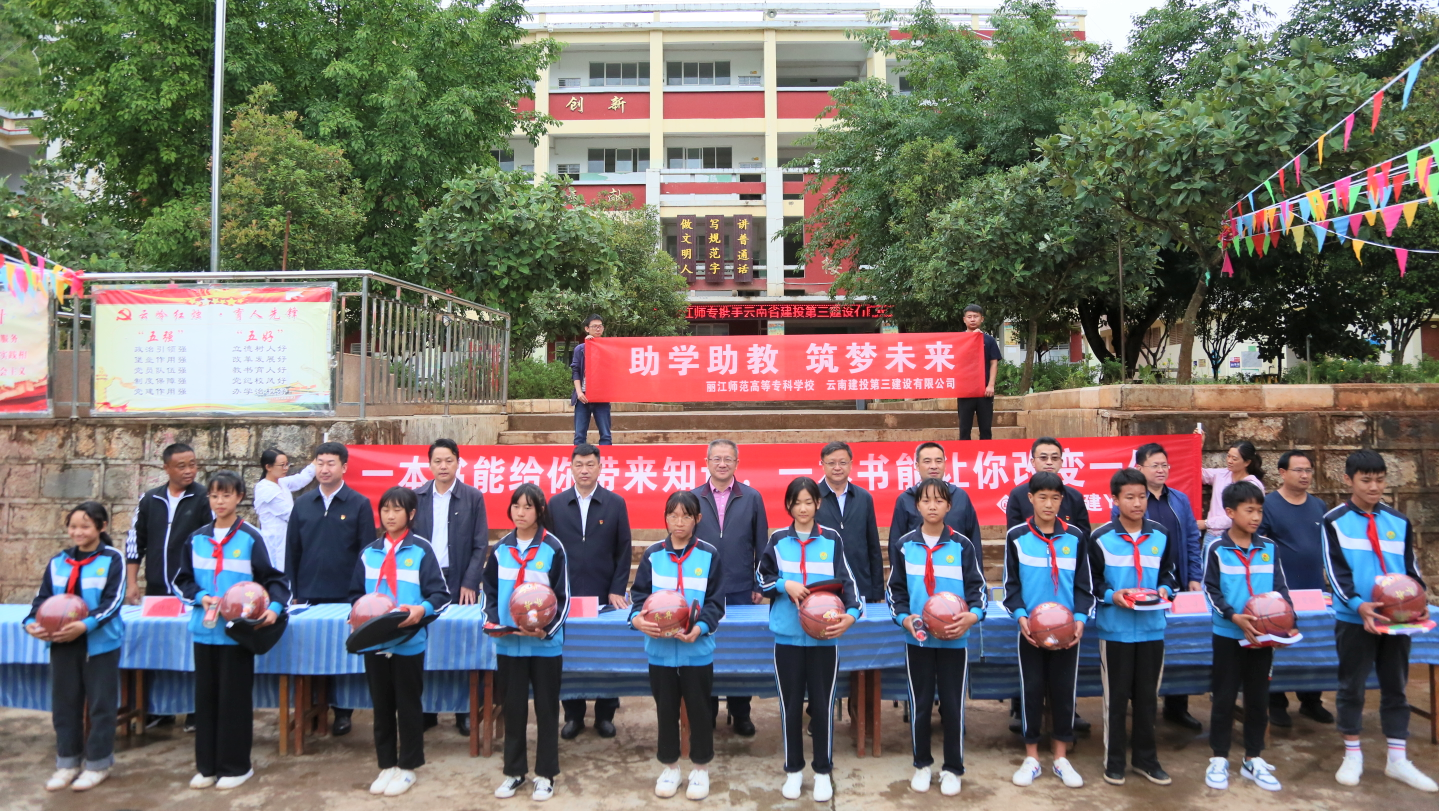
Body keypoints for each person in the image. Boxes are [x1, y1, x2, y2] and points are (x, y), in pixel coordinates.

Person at [1324, 450, 1435, 792]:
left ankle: (1397, 759)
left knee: (1395, 686)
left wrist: (1419, 601)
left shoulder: (1398, 521)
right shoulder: (1334, 521)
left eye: (1380, 480)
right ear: (1348, 480)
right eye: (1366, 480)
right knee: (1352, 686)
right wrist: (1358, 605)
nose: (1374, 487)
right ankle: (1352, 754)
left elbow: (1410, 568)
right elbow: (1335, 572)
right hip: (1354, 618)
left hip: (1397, 619)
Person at [172, 471, 287, 791]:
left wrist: (274, 609)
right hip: (203, 631)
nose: (219, 501)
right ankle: (207, 767)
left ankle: (236, 766)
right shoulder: (196, 539)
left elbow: (274, 580)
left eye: (226, 495)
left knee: (233, 700)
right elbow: (182, 580)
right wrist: (200, 596)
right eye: (214, 495)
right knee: (205, 700)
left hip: (236, 635)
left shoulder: (250, 537)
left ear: (239, 497)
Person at [756, 477, 862, 803]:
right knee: (790, 706)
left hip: (824, 639)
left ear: (818, 504)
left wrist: (852, 615)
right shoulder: (777, 540)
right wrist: (784, 585)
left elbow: (848, 582)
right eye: (796, 502)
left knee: (822, 706)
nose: (802, 508)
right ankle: (793, 770)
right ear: (788, 506)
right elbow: (760, 579)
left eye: (808, 502)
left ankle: (822, 772)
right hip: (787, 637)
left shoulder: (831, 539)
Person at [887, 477, 987, 798]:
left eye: (939, 501)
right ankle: (922, 764)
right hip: (917, 640)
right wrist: (904, 619)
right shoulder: (905, 546)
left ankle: (953, 768)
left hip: (954, 641)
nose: (932, 506)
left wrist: (972, 615)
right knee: (920, 704)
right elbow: (895, 591)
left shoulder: (962, 545)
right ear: (917, 506)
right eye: (926, 500)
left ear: (949, 506)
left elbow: (978, 589)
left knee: (953, 705)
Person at [350, 486, 451, 797]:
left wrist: (422, 609)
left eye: (397, 510)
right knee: (381, 706)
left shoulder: (421, 550)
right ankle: (386, 765)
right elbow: (354, 594)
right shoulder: (369, 553)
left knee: (408, 706)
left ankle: (408, 766)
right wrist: (356, 614)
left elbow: (440, 595)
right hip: (374, 643)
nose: (390, 516)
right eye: (385, 509)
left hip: (408, 641)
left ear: (411, 514)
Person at [629, 491, 726, 801]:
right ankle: (670, 767)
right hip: (660, 652)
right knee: (666, 711)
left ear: (698, 519)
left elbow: (716, 603)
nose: (679, 522)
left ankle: (700, 768)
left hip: (697, 651)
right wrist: (637, 620)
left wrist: (700, 628)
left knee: (700, 711)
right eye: (673, 515)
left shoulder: (709, 554)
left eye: (686, 516)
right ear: (666, 518)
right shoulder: (653, 555)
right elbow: (638, 597)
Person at [25, 502, 126, 792]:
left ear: (102, 527)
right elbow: (42, 599)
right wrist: (31, 622)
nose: (78, 532)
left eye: (85, 526)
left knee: (101, 706)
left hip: (99, 645)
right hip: (61, 643)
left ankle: (98, 764)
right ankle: (67, 762)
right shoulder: (58, 562)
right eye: (73, 526)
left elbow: (113, 601)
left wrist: (86, 625)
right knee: (65, 704)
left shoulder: (112, 559)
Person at [1003, 472, 1092, 789]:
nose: (1049, 504)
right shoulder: (1016, 537)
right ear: (1031, 499)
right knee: (1031, 690)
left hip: (1068, 634)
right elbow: (1011, 586)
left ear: (1062, 500)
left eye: (1055, 498)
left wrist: (1080, 619)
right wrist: (1021, 617)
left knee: (1064, 691)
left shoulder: (1076, 537)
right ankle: (1031, 757)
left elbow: (1084, 586)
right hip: (1031, 632)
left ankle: (1060, 757)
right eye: (1042, 497)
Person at [1090, 467, 1178, 787]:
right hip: (1116, 631)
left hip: (1152, 628)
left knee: (1147, 699)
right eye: (1129, 497)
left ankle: (1146, 760)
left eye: (1142, 496)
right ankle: (1114, 762)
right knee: (1115, 700)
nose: (1137, 503)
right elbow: (1092, 583)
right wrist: (1113, 596)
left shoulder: (1161, 535)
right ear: (1114, 500)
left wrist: (1166, 589)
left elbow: (1169, 574)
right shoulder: (1100, 538)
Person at [485, 483, 571, 803]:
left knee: (547, 710)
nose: (520, 513)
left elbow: (563, 598)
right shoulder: (500, 549)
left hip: (545, 645)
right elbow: (488, 594)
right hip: (510, 644)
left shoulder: (553, 548)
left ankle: (545, 774)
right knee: (513, 708)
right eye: (516, 506)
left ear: (540, 512)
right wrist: (496, 625)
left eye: (528, 507)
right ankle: (514, 771)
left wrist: (546, 631)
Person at [1202, 481, 1289, 793]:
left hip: (1263, 639)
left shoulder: (1269, 548)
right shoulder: (1216, 548)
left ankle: (1253, 758)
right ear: (1230, 512)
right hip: (1228, 635)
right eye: (1249, 510)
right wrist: (1233, 615)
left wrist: (1288, 620)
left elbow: (1281, 588)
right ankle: (1219, 758)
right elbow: (1210, 590)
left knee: (1258, 699)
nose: (1255, 517)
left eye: (1259, 511)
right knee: (1224, 698)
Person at [285, 441, 375, 736]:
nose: (324, 469)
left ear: (344, 467)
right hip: (308, 594)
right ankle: (312, 707)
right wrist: (293, 591)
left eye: (330, 463)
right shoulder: (302, 504)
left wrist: (361, 595)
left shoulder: (358, 504)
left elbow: (366, 554)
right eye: (319, 463)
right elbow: (292, 551)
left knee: (342, 654)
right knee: (309, 653)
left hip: (345, 595)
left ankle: (343, 711)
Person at [550, 443, 632, 740]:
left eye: (590, 465)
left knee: (606, 654)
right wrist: (554, 590)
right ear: (571, 468)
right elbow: (549, 550)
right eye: (579, 465)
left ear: (600, 468)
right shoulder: (556, 504)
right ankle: (573, 715)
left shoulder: (615, 503)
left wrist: (617, 589)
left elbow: (624, 549)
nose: (584, 470)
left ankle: (605, 714)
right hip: (567, 595)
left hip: (603, 593)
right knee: (569, 655)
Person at [125, 441, 209, 730]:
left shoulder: (204, 498)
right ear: (166, 468)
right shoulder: (150, 500)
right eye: (181, 466)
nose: (189, 471)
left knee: (192, 650)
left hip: (192, 590)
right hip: (157, 591)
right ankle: (160, 709)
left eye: (193, 464)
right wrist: (132, 582)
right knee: (158, 648)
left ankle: (197, 710)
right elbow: (135, 542)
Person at [411, 437, 490, 735]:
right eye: (437, 461)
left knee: (462, 644)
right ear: (429, 464)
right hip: (424, 583)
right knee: (425, 643)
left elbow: (480, 544)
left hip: (460, 581)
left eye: (448, 460)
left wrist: (471, 582)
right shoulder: (416, 497)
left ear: (458, 462)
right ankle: (427, 710)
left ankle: (464, 711)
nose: (443, 466)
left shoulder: (472, 497)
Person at [692, 438, 768, 737]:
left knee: (740, 651)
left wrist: (759, 582)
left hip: (741, 587)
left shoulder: (751, 497)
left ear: (737, 463)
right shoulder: (693, 497)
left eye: (728, 459)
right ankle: (707, 711)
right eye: (716, 458)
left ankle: (741, 712)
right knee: (704, 648)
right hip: (703, 587)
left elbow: (761, 544)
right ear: (707, 462)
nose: (722, 464)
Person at [1131, 441, 1204, 732]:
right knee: (1146, 648)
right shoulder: (1133, 500)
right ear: (1140, 468)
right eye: (1155, 465)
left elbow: (1191, 539)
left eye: (1165, 465)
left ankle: (1177, 706)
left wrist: (1195, 576)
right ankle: (1141, 706)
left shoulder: (1180, 500)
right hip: (1146, 586)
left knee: (1180, 645)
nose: (1161, 470)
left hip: (1180, 582)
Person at [1258, 449, 1334, 726]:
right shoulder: (1268, 505)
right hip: (1280, 591)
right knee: (1279, 644)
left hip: (1314, 589)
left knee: (1312, 645)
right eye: (1298, 470)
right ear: (1282, 472)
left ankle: (1311, 701)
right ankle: (1276, 702)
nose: (1305, 475)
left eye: (1308, 470)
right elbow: (1259, 545)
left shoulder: (1318, 506)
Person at [890, 442, 983, 572]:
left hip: (956, 573)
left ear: (945, 464)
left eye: (938, 461)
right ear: (917, 465)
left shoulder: (960, 496)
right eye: (927, 461)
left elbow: (974, 540)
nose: (933, 466)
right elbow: (896, 542)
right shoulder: (905, 499)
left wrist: (977, 576)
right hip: (917, 573)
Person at [815, 441, 884, 602]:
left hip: (861, 583)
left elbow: (873, 546)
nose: (837, 467)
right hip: (824, 584)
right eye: (831, 463)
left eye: (843, 462)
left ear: (851, 464)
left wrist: (877, 591)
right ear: (822, 465)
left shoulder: (863, 497)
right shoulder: (812, 497)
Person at [1195, 431, 1265, 546]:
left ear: (1247, 462)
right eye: (1228, 456)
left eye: (1234, 458)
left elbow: (1240, 515)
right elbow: (1195, 473)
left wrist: (1207, 523)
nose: (1229, 461)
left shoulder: (1253, 485)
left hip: (1237, 536)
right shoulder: (1221, 474)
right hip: (1212, 535)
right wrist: (1198, 447)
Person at [251, 447, 316, 570]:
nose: (286, 468)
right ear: (268, 467)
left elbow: (300, 479)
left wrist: (316, 463)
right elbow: (289, 514)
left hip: (286, 539)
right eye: (282, 465)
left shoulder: (281, 482)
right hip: (275, 542)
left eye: (287, 464)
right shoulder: (265, 489)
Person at [955, 304, 1001, 440]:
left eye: (976, 316)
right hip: (965, 390)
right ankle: (965, 453)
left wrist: (991, 385)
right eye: (969, 317)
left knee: (985, 428)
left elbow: (994, 363)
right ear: (964, 320)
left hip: (984, 391)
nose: (972, 319)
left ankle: (985, 453)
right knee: (964, 429)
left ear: (982, 319)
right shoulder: (958, 339)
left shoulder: (989, 340)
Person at [571, 314, 611, 446]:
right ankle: (579, 459)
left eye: (600, 326)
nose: (598, 329)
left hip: (602, 397)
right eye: (594, 326)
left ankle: (606, 458)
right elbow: (575, 371)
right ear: (587, 329)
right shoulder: (580, 349)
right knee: (579, 435)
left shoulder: (608, 348)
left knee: (606, 435)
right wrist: (579, 393)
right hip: (583, 397)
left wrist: (596, 345)